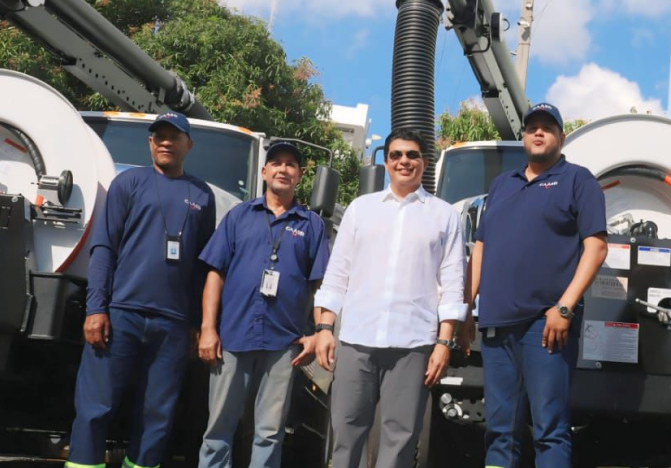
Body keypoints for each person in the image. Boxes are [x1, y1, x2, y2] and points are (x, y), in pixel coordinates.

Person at [66, 111, 217, 468]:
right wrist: (96, 308)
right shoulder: (128, 183)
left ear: (189, 144)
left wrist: (197, 324)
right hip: (121, 315)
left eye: (174, 136)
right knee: (96, 407)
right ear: (150, 142)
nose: (166, 142)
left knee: (157, 415)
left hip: (173, 325)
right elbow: (104, 248)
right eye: (159, 136)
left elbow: (202, 267)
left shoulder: (202, 195)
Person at [462, 102, 608, 468]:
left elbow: (596, 247)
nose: (538, 132)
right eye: (532, 128)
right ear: (524, 136)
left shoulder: (579, 180)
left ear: (561, 137)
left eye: (547, 127)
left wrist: (565, 307)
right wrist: (464, 309)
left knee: (549, 430)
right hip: (496, 325)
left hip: (545, 326)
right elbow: (480, 250)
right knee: (499, 431)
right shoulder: (502, 185)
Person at [313, 128, 467, 468]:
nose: (404, 161)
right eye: (396, 155)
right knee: (346, 436)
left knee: (400, 441)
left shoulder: (444, 216)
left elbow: (453, 285)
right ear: (386, 162)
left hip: (412, 344)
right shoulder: (360, 209)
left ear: (424, 162)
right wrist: (324, 328)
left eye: (412, 155)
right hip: (356, 340)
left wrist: (444, 343)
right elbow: (336, 275)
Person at [196, 140, 329, 468]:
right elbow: (215, 274)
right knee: (218, 429)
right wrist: (208, 328)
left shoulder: (311, 225)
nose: (283, 169)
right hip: (232, 337)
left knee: (269, 432)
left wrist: (319, 332)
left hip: (284, 344)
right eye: (277, 163)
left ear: (299, 175)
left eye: (291, 164)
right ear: (265, 171)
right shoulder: (239, 216)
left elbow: (322, 285)